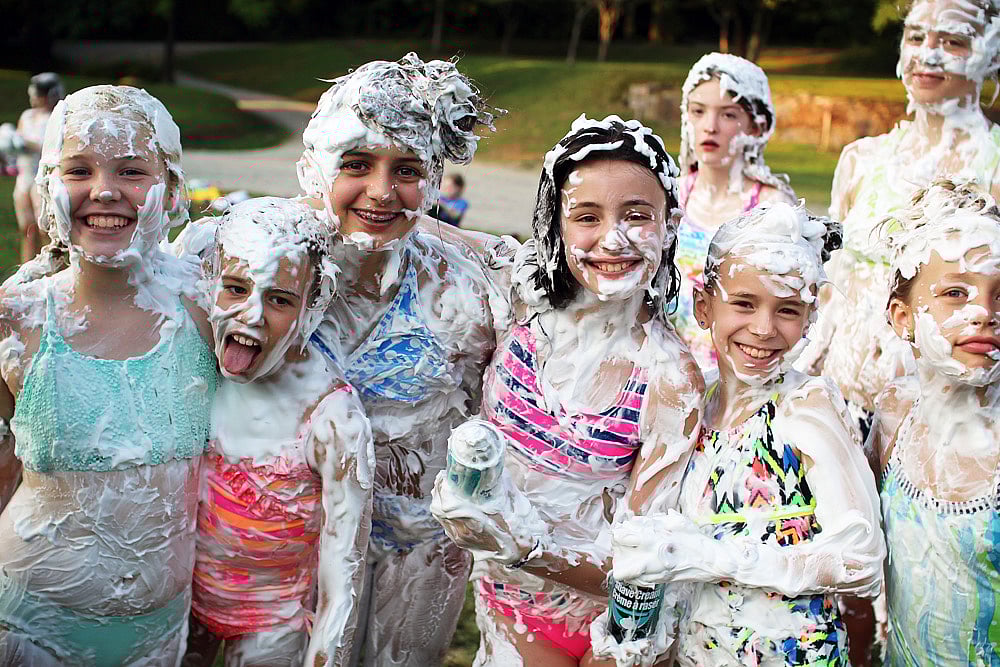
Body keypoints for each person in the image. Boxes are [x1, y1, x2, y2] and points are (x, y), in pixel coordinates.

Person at [431, 114, 704, 667]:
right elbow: (409, 227)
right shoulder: (519, 298)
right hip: (500, 604)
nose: (613, 238)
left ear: (670, 224)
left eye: (637, 215)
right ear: (553, 224)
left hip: (597, 627)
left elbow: (642, 569)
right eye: (587, 216)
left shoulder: (670, 378)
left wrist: (521, 543)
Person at [296, 52, 506, 666]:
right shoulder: (266, 272)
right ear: (314, 169)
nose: (382, 191)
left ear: (434, 178)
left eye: (407, 169)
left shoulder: (470, 291)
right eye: (357, 164)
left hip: (419, 555)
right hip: (290, 547)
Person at [608, 202, 885, 666]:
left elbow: (860, 559)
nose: (763, 329)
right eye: (744, 303)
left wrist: (715, 557)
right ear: (703, 306)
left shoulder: (805, 407)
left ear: (810, 318)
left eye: (788, 310)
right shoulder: (699, 407)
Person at [0, 85, 216, 666]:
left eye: (131, 170)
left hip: (158, 633)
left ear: (170, 190)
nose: (103, 190)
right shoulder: (14, 319)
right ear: (47, 184)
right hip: (26, 622)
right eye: (79, 169)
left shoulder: (209, 308)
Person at [179, 197, 375, 667]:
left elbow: (342, 569)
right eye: (235, 288)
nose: (251, 314)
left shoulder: (332, 418)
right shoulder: (194, 368)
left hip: (275, 621)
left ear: (312, 307)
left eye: (280, 299)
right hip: (181, 602)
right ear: (210, 285)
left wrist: (323, 657)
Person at [806, 0, 1000, 428]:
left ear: (992, 55)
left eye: (952, 41)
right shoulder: (860, 159)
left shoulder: (995, 168)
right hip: (840, 399)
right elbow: (830, 286)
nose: (927, 54)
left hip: (949, 417)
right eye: (915, 37)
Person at [869, 179, 1000, 664]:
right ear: (903, 318)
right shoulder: (895, 413)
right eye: (955, 293)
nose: (984, 312)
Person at [673, 53, 796, 373]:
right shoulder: (670, 195)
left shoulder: (771, 206)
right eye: (698, 111)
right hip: (671, 369)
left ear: (757, 126)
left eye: (727, 115)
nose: (709, 126)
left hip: (737, 373)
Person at [13, 73, 64, 264]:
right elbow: (18, 138)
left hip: (42, 178)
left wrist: (26, 143)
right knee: (26, 228)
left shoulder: (56, 117)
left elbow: (54, 148)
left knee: (46, 229)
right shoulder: (27, 116)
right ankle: (26, 269)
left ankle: (52, 269)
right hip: (24, 176)